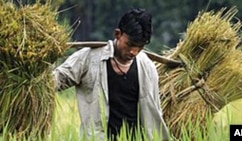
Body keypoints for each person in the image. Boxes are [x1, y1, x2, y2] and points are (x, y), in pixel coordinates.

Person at [53, 8, 168, 141]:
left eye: (140, 47)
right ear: (118, 34)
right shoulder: (89, 58)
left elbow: (155, 111)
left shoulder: (147, 67)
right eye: (130, 45)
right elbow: (56, 80)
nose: (134, 52)